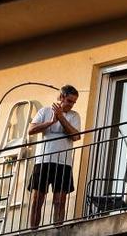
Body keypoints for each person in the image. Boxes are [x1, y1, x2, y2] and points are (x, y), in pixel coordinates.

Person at [27, 85, 81, 229]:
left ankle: (58, 230)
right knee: (37, 199)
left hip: (63, 163)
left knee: (60, 201)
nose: (71, 104)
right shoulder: (44, 111)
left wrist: (61, 117)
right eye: (69, 101)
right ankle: (33, 232)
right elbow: (31, 130)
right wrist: (50, 122)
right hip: (43, 161)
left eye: (73, 102)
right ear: (61, 97)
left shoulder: (74, 116)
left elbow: (76, 136)